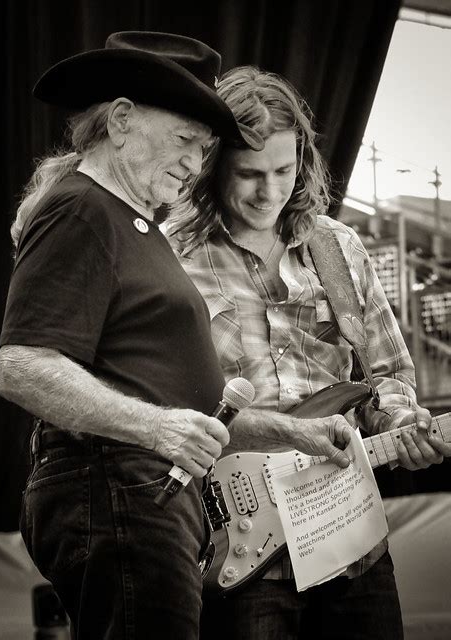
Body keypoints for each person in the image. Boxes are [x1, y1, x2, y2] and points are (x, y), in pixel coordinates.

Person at [0, 34, 355, 640]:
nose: (196, 162)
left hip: (143, 499)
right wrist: (157, 429)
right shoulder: (83, 207)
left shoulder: (131, 222)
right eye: (186, 139)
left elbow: (183, 406)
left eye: (206, 147)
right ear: (122, 121)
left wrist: (296, 432)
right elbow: (22, 366)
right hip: (115, 493)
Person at [167, 65, 451, 640]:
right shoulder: (173, 253)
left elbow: (387, 374)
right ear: (212, 163)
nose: (269, 193)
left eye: (284, 169)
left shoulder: (337, 246)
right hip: (240, 551)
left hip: (355, 542)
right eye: (249, 173)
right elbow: (161, 402)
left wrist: (402, 421)